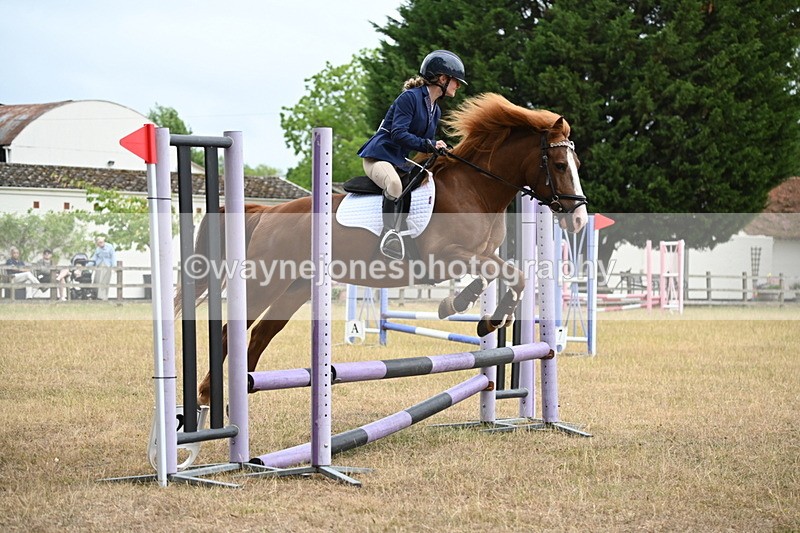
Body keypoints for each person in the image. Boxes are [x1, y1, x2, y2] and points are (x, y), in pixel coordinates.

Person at [358, 50, 467, 260]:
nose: (458, 86)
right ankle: (390, 235)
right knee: (395, 185)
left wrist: (443, 152)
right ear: (442, 79)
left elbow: (426, 145)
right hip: (378, 157)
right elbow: (399, 134)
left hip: (400, 161)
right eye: (455, 81)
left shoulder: (435, 110)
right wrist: (431, 144)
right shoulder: (409, 98)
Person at [90, 236, 117, 301]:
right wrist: (88, 265)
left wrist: (114, 266)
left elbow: (113, 256)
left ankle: (103, 297)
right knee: (97, 280)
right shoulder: (98, 249)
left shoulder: (110, 247)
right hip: (99, 265)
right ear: (97, 243)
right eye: (99, 243)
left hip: (107, 265)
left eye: (102, 242)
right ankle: (95, 296)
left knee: (104, 281)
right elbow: (95, 257)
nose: (101, 244)